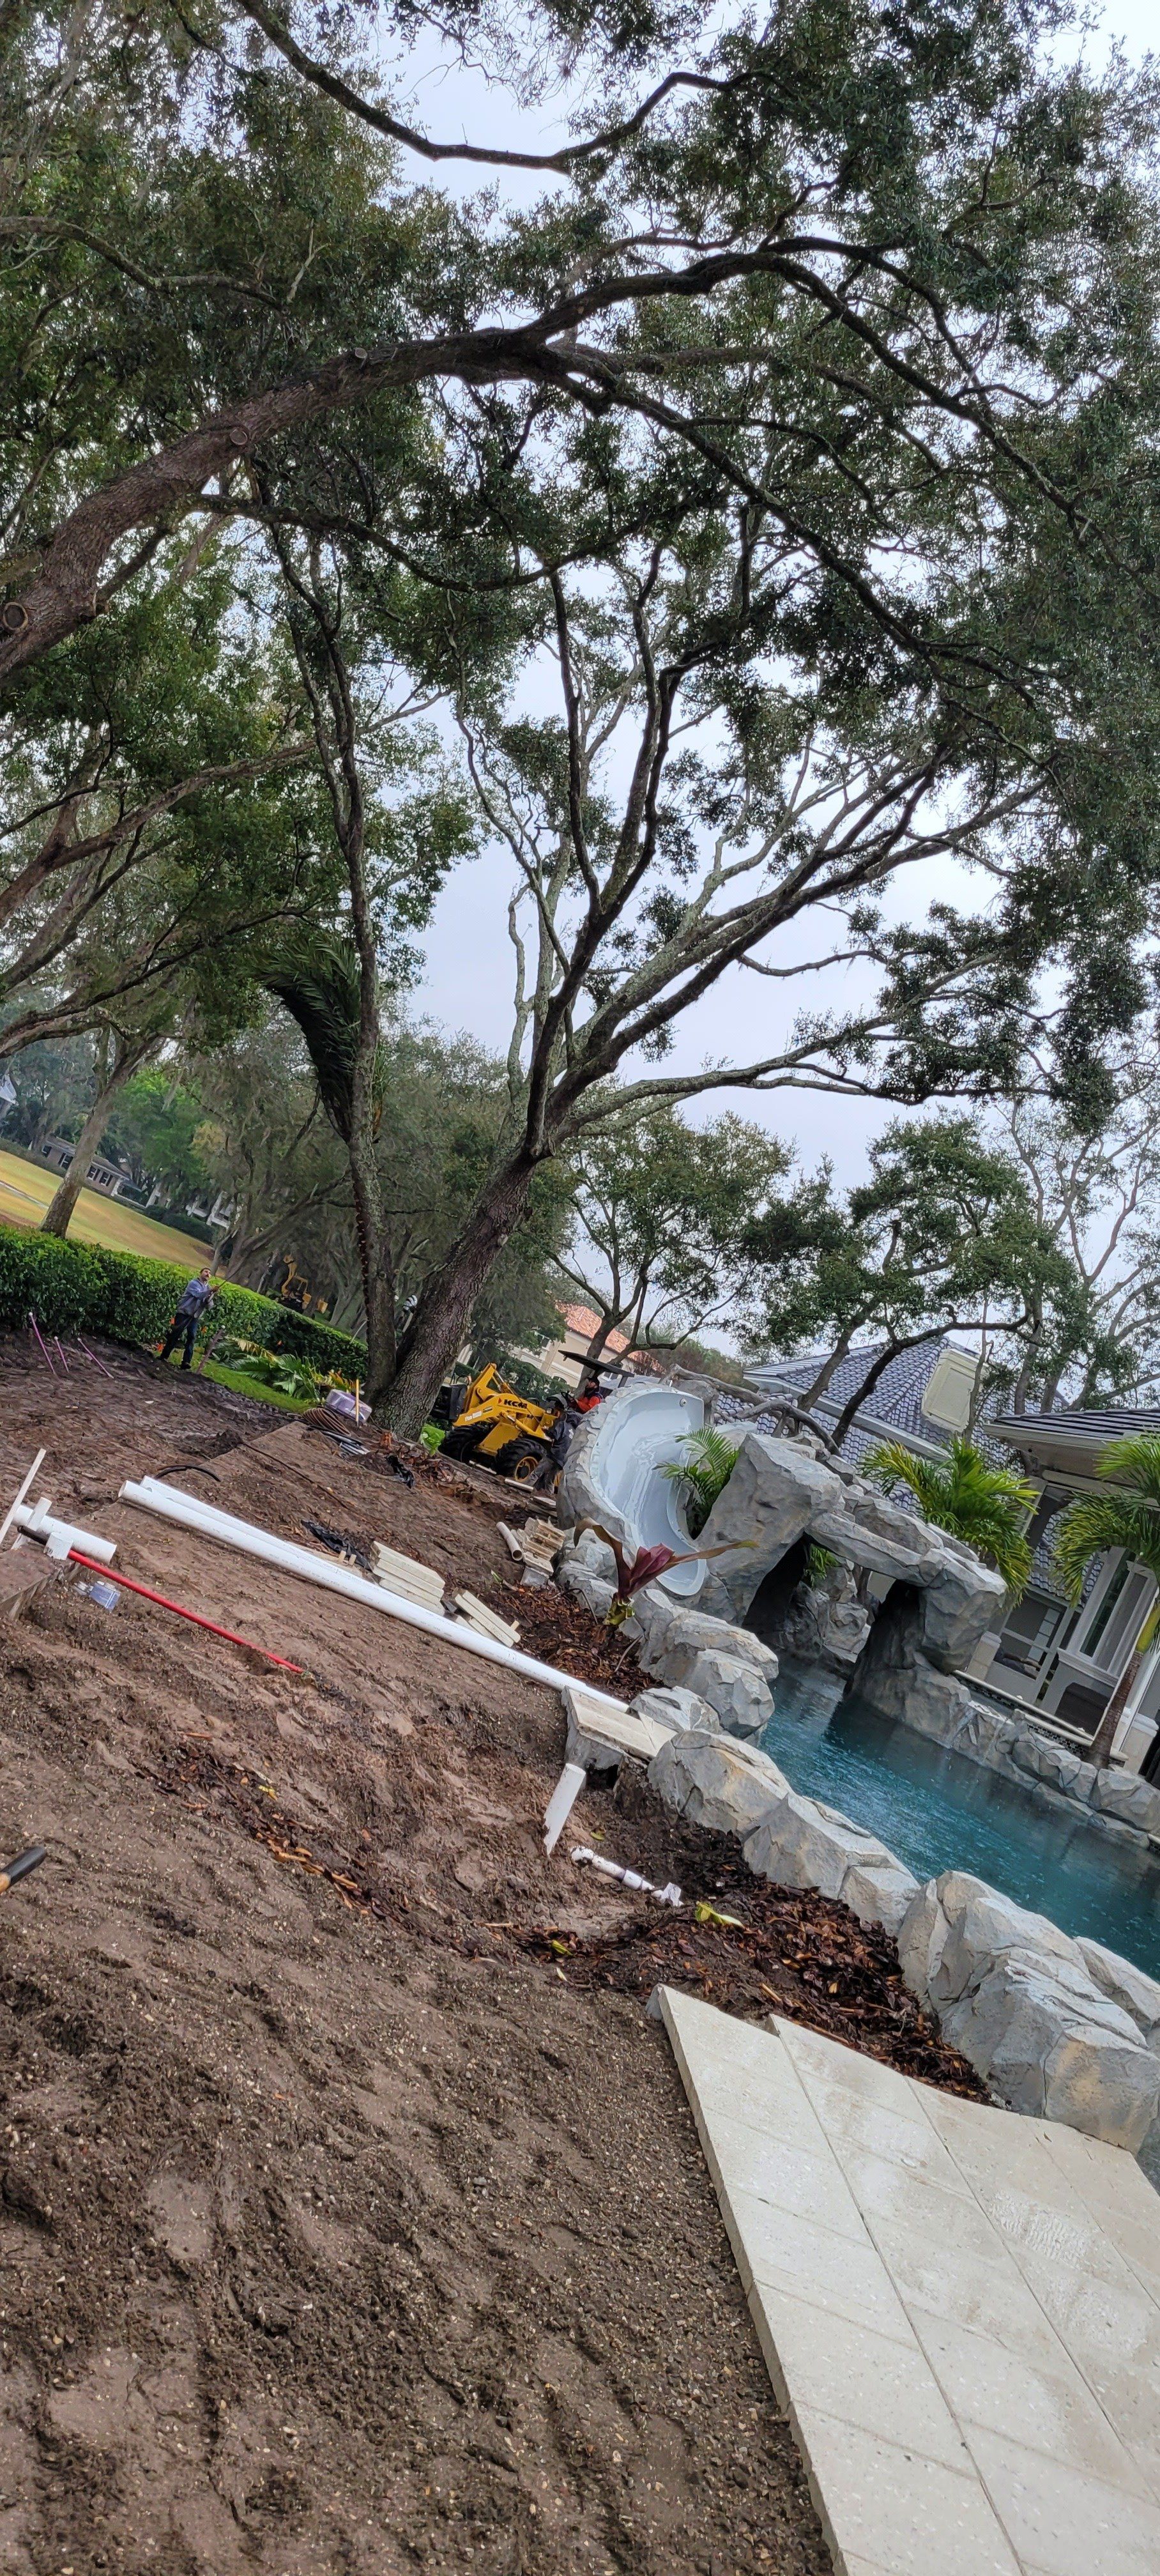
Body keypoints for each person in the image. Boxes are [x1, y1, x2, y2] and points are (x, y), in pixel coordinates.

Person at [159, 1266, 217, 1369]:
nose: (207, 1274)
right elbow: (198, 1295)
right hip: (184, 1313)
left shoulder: (209, 1288)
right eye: (205, 1272)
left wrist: (209, 1298)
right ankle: (164, 1356)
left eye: (209, 1273)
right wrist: (209, 1292)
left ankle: (186, 1362)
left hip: (195, 1317)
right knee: (175, 1335)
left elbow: (210, 1306)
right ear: (201, 1273)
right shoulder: (193, 1284)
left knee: (191, 1337)